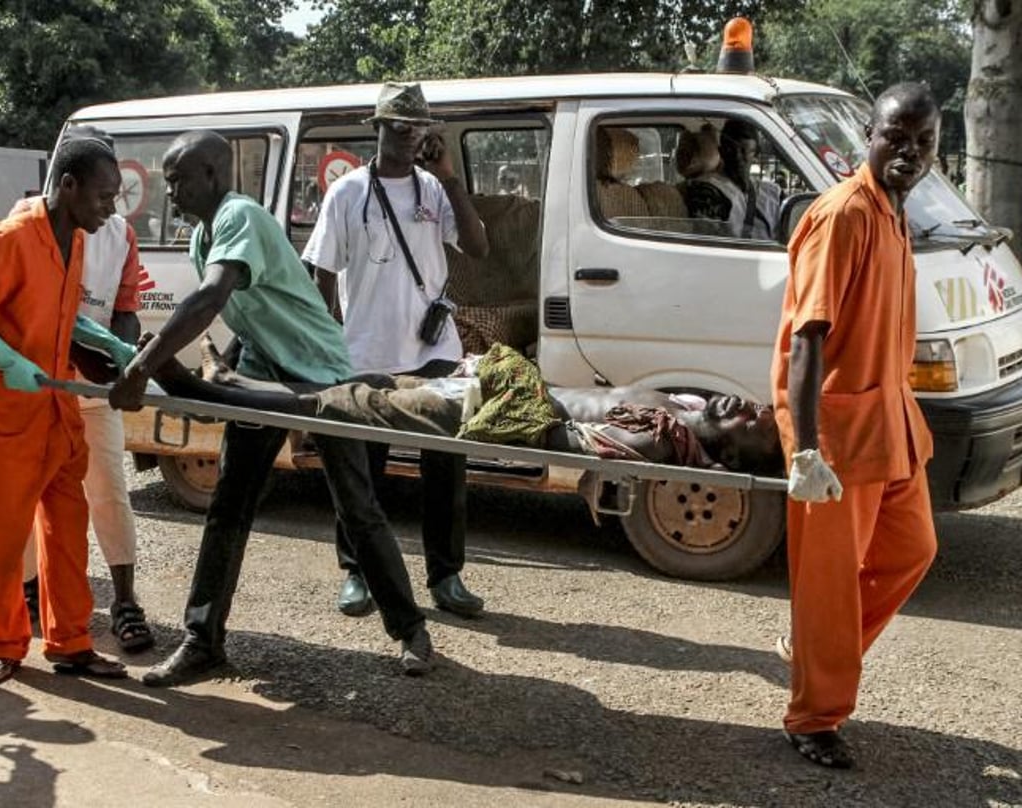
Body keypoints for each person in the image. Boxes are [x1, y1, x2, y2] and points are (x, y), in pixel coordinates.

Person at [108, 130, 437, 685]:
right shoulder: (202, 234)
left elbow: (212, 296)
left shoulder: (239, 216)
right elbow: (246, 312)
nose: (171, 193)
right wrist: (223, 372)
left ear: (213, 175)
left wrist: (144, 368)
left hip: (320, 372)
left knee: (357, 506)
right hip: (265, 368)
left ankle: (411, 630)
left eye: (178, 179)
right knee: (229, 503)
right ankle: (202, 640)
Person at [770, 82, 941, 769]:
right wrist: (806, 451)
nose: (907, 152)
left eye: (921, 141)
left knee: (911, 550)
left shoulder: (894, 212)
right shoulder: (843, 215)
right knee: (829, 584)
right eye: (894, 137)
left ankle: (814, 649)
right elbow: (806, 339)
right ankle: (812, 718)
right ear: (866, 138)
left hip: (890, 423)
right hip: (837, 438)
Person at [0, 138, 128, 686]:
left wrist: (107, 348)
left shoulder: (76, 238)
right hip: (8, 414)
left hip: (58, 412)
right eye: (105, 196)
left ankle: (71, 643)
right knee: (7, 538)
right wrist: (0, 356)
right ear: (69, 186)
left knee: (68, 530)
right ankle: (7, 645)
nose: (112, 208)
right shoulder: (11, 238)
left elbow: (58, 315)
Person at [302, 82, 491, 620]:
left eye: (419, 128)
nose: (410, 137)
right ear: (379, 128)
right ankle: (357, 572)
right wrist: (322, 351)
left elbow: (477, 246)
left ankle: (446, 575)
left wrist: (451, 177)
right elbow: (323, 276)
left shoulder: (434, 190)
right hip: (364, 352)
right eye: (399, 126)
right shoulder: (347, 194)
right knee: (362, 471)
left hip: (433, 351)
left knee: (446, 467)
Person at [147, 336, 784, 477]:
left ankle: (204, 396)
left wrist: (503, 392)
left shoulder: (661, 440)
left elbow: (556, 440)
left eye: (748, 422)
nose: (745, 405)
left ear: (727, 452)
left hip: (477, 411)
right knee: (370, 379)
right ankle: (232, 384)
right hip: (478, 387)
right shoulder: (685, 404)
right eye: (758, 405)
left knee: (344, 403)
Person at [11, 128, 153, 653]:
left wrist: (125, 357)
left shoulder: (118, 231)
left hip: (91, 388)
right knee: (27, 495)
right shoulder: (27, 222)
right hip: (36, 384)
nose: (108, 200)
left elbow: (126, 309)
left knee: (109, 491)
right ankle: (28, 592)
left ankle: (124, 601)